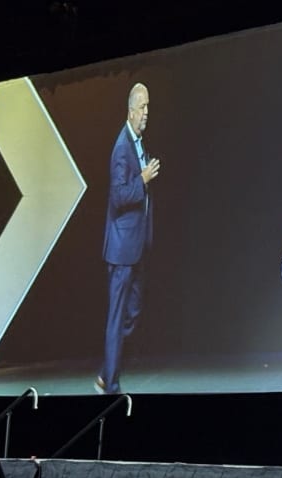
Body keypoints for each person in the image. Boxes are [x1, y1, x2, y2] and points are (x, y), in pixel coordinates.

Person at [97, 83, 161, 394]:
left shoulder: (138, 142)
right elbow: (119, 195)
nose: (147, 112)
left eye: (149, 106)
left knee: (132, 313)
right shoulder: (122, 148)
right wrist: (143, 178)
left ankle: (105, 370)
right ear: (130, 111)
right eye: (143, 107)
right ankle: (110, 384)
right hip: (121, 250)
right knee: (117, 316)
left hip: (136, 247)